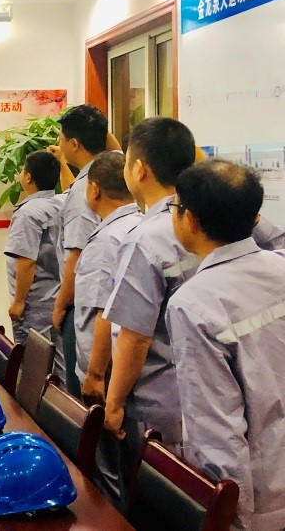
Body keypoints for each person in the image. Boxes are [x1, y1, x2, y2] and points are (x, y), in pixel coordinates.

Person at [169, 159, 285, 531]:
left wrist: (230, 519)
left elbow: (216, 434)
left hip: (261, 500)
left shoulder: (194, 304)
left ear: (190, 220)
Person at [102, 117, 198, 482]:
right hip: (200, 395)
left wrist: (113, 404)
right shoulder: (207, 221)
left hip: (155, 402)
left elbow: (135, 334)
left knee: (151, 496)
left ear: (139, 169)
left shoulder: (144, 238)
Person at [74, 151, 142, 510]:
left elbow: (104, 312)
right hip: (132, 376)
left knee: (108, 473)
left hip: (108, 377)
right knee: (130, 468)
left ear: (94, 189)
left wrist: (95, 375)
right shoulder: (141, 226)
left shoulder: (107, 240)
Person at [48, 105, 110, 397]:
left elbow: (76, 253)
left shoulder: (87, 188)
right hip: (105, 303)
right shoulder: (113, 173)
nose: (59, 144)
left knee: (80, 396)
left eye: (61, 138)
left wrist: (60, 305)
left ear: (74, 143)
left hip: (82, 305)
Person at [3, 150, 64, 346]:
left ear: (28, 177)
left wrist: (19, 301)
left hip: (34, 303)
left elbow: (26, 261)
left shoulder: (27, 213)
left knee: (33, 358)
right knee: (56, 357)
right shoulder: (63, 203)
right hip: (57, 298)